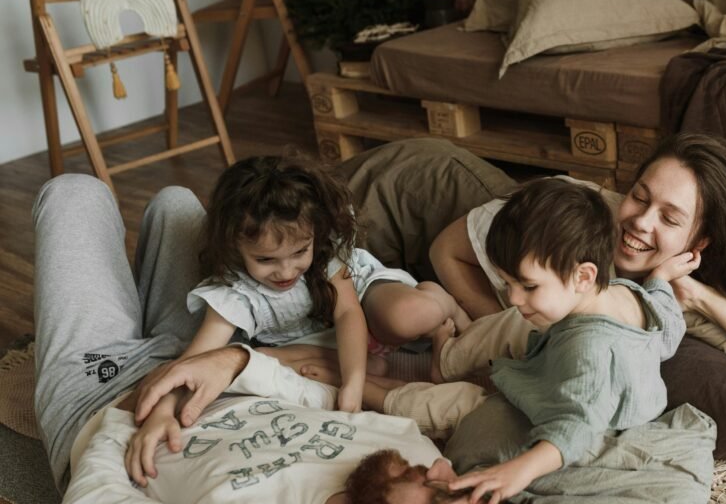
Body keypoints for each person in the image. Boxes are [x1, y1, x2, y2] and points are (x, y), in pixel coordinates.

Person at [34, 174, 536, 504]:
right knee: (178, 205)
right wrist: (231, 362)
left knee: (74, 193)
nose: (445, 467)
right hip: (212, 364)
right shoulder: (404, 458)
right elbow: (319, 401)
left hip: (105, 399)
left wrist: (142, 411)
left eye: (443, 493)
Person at [428, 133, 726, 447]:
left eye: (669, 217)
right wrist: (496, 314)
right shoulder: (567, 220)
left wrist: (699, 295)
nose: (640, 222)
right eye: (640, 197)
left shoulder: (673, 295)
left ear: (698, 242)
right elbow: (444, 251)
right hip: (429, 173)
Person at [127, 154, 470, 485]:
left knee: (410, 317)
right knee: (251, 363)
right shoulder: (233, 291)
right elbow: (199, 359)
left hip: (366, 301)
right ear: (234, 246)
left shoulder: (324, 254)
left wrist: (351, 386)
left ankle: (442, 301)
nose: (286, 271)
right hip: (320, 338)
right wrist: (163, 409)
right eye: (265, 259)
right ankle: (374, 370)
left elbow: (348, 312)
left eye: (298, 253)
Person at [361, 179, 688, 504]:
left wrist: (518, 470)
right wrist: (659, 279)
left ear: (583, 276)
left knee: (466, 404)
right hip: (559, 365)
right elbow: (668, 325)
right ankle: (446, 360)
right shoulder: (626, 293)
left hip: (581, 428)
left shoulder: (591, 353)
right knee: (515, 322)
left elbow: (578, 427)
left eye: (529, 286)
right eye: (508, 283)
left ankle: (367, 389)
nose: (513, 296)